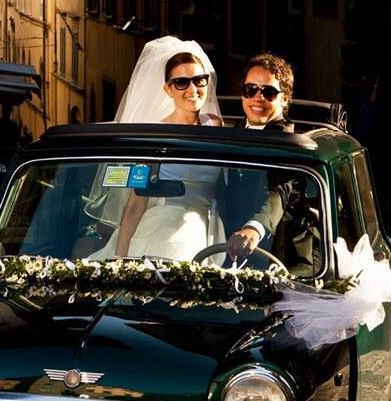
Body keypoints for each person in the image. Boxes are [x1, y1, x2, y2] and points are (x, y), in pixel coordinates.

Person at [86, 37, 225, 262]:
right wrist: (120, 258)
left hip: (212, 227)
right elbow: (135, 202)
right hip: (166, 227)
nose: (192, 89)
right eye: (181, 82)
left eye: (199, 80)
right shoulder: (154, 134)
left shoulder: (215, 125)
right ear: (167, 89)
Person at [223, 53, 296, 261]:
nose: (258, 97)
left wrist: (254, 229)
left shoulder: (287, 141)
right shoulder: (232, 131)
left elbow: (280, 190)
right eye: (250, 89)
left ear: (285, 98)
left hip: (271, 252)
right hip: (221, 243)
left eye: (269, 92)